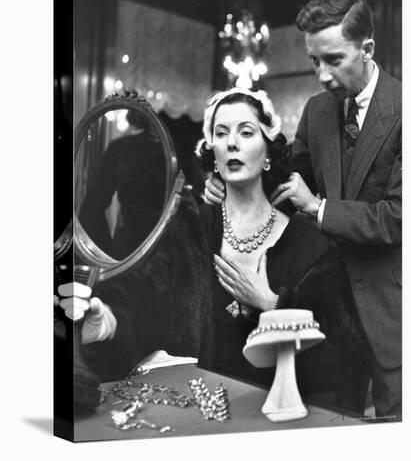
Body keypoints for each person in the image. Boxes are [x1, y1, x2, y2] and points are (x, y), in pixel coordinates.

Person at [60, 88, 365, 413]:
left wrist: (273, 305)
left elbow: (347, 361)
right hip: (196, 418)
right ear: (213, 152)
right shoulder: (189, 229)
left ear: (269, 152)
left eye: (246, 132)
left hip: (279, 422)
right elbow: (142, 301)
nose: (232, 142)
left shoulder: (310, 245)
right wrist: (108, 322)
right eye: (221, 133)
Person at [205, 0, 402, 421]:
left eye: (334, 60)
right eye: (314, 61)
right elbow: (281, 182)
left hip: (391, 314)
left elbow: (397, 219)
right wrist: (222, 180)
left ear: (367, 49)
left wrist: (318, 208)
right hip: (326, 315)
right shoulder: (317, 111)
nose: (322, 75)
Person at [79, 108, 166, 259]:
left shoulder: (120, 149)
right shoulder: (164, 150)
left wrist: (104, 252)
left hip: (129, 245)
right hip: (163, 246)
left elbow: (94, 204)